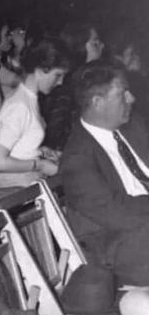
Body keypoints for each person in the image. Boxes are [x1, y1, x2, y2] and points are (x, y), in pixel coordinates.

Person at [60, 61, 149, 287]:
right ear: (97, 102)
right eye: (122, 94)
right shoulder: (76, 158)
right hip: (120, 246)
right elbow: (116, 214)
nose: (131, 98)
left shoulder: (134, 126)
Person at [0, 39, 69, 188]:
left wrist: (40, 151)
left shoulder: (28, 98)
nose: (60, 82)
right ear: (40, 71)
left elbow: (19, 147)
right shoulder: (20, 105)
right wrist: (40, 165)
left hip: (28, 179)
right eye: (58, 75)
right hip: (15, 186)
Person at [43, 22, 104, 151]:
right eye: (95, 42)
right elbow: (55, 134)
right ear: (80, 46)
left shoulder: (91, 78)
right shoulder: (66, 83)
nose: (102, 46)